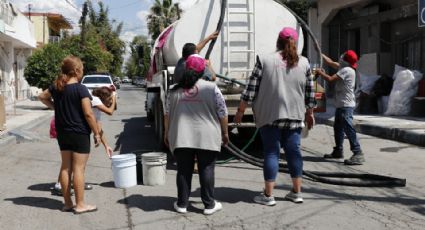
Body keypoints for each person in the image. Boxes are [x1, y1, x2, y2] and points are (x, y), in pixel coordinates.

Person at [234, 27, 316, 205]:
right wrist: (310, 113)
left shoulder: (265, 60)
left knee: (271, 152)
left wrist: (240, 112)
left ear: (278, 41)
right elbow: (310, 92)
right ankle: (296, 192)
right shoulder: (304, 63)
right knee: (294, 153)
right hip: (295, 116)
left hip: (270, 116)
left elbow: (250, 91)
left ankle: (269, 195)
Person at [164, 55, 229, 215]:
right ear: (203, 70)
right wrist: (225, 132)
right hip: (207, 136)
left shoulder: (173, 90)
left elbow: (167, 114)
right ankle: (209, 205)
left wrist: (166, 133)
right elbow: (222, 112)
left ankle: (182, 204)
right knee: (206, 169)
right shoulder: (211, 88)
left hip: (181, 136)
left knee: (183, 170)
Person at [38, 56, 101, 214]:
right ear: (77, 71)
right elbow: (88, 114)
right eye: (82, 70)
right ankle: (80, 205)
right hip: (79, 133)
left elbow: (41, 97)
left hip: (63, 132)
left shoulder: (57, 87)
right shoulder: (81, 89)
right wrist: (96, 133)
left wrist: (55, 107)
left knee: (66, 167)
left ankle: (67, 204)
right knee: (79, 168)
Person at [51, 86, 116, 196]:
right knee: (69, 162)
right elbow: (110, 112)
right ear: (103, 97)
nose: (110, 101)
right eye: (109, 99)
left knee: (79, 162)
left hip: (76, 130)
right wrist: (114, 97)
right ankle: (59, 185)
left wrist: (106, 146)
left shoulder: (96, 107)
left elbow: (98, 128)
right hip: (71, 130)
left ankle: (77, 183)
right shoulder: (94, 100)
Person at [315, 50, 365, 165]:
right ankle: (338, 150)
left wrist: (320, 73)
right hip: (342, 104)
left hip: (345, 105)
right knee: (338, 128)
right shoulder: (346, 67)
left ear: (345, 60)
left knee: (348, 128)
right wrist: (320, 52)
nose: (340, 57)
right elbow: (331, 62)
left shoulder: (346, 70)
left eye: (343, 56)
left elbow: (330, 79)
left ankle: (358, 153)